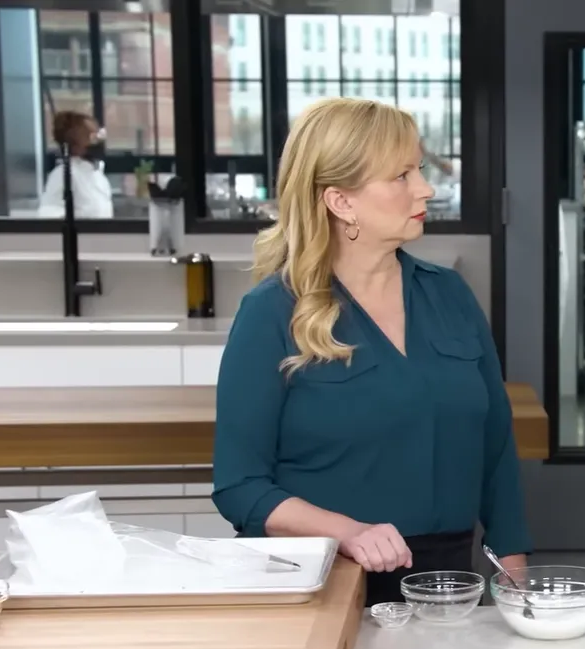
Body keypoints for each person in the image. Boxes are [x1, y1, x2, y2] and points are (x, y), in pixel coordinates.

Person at [212, 98, 532, 605]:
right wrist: (346, 531)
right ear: (341, 201)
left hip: (443, 579)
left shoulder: (449, 295)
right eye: (401, 175)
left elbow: (496, 452)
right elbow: (240, 486)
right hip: (319, 581)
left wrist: (516, 579)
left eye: (419, 169)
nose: (425, 188)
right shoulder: (272, 311)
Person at [38, 110, 114, 219]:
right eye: (93, 138)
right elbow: (48, 215)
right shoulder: (64, 175)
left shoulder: (97, 174)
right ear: (75, 145)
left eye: (99, 136)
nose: (98, 142)